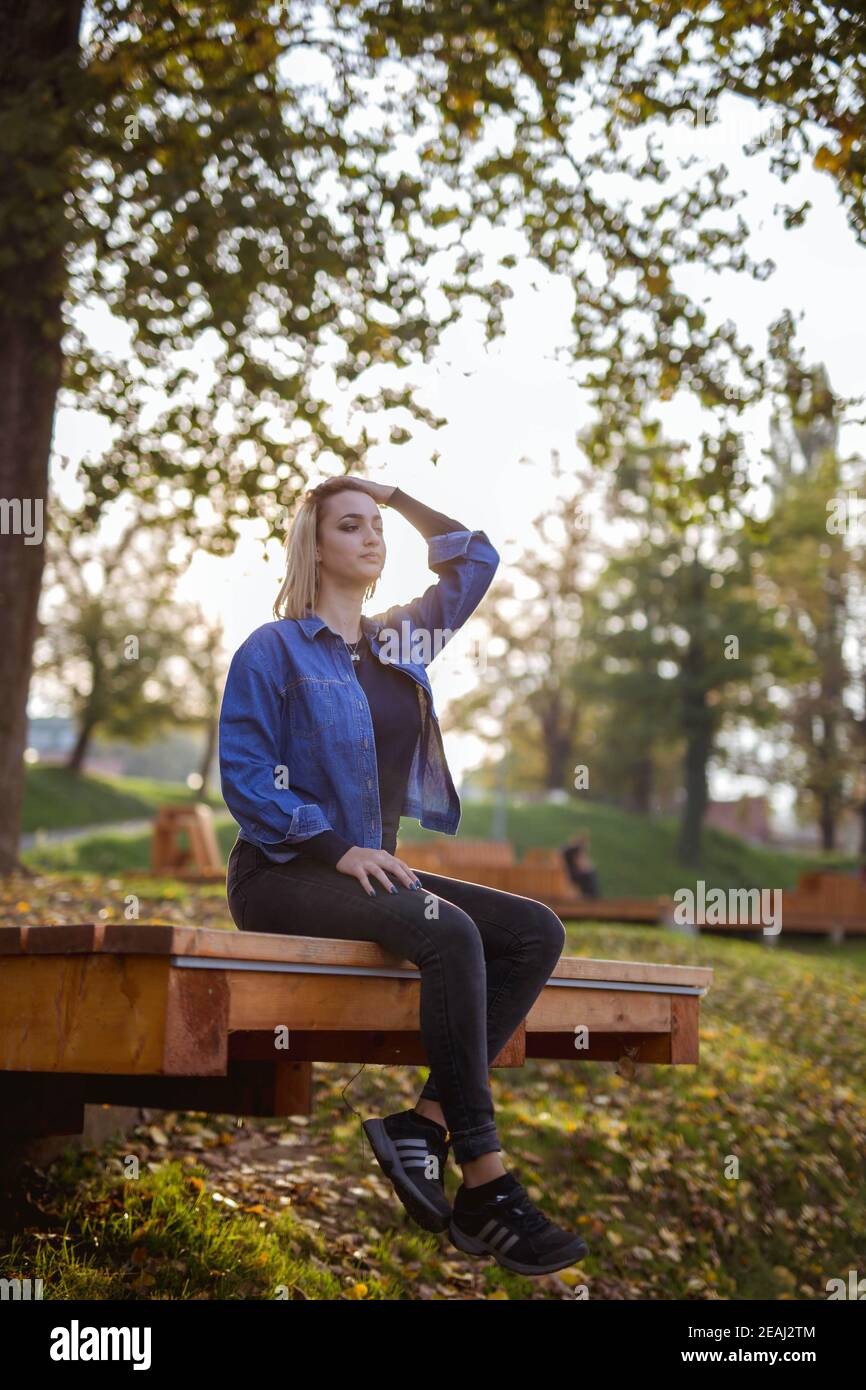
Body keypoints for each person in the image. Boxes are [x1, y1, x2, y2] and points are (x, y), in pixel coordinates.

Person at [218, 475, 588, 1276]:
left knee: (533, 932)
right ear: (313, 546)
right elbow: (246, 776)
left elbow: (473, 560)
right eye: (351, 526)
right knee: (448, 931)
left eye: (377, 527)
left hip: (369, 871)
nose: (372, 537)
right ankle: (487, 1182)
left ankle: (422, 1126)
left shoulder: (400, 641)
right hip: (283, 872)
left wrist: (394, 494)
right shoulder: (271, 649)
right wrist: (332, 848)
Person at [561, 835, 601, 899]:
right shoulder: (572, 851)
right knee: (589, 874)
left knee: (590, 874)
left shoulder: (570, 850)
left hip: (575, 875)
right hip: (574, 876)